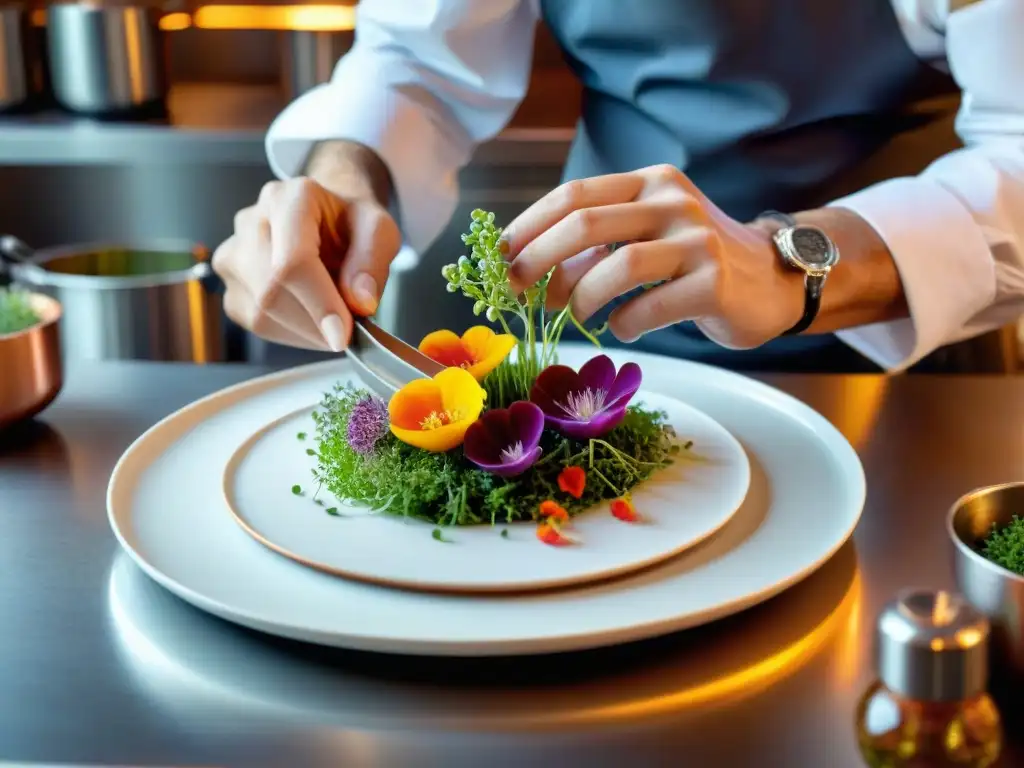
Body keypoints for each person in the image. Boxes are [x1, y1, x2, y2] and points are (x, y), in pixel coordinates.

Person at [212, 0, 1024, 373]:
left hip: (914, 350)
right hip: (601, 343)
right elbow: (418, 61)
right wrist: (345, 175)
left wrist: (788, 265)